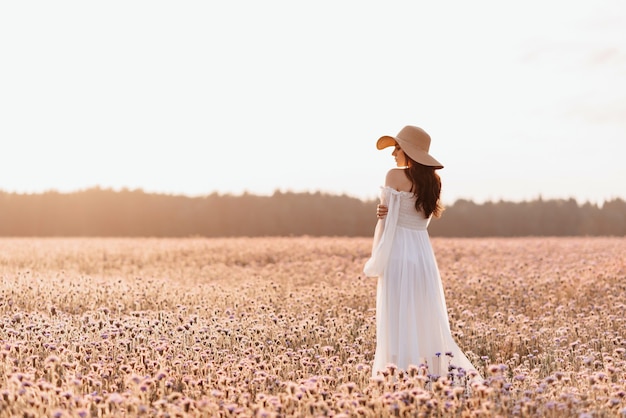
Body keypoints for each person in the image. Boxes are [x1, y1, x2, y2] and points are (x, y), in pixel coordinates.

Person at [363, 125, 480, 382]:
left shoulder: (393, 176)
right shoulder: (433, 183)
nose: (393, 154)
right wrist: (388, 212)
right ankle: (433, 376)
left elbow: (388, 221)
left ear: (408, 152)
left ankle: (400, 377)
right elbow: (421, 222)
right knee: (423, 316)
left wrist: (378, 249)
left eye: (397, 148)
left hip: (398, 251)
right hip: (422, 253)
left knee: (396, 317)